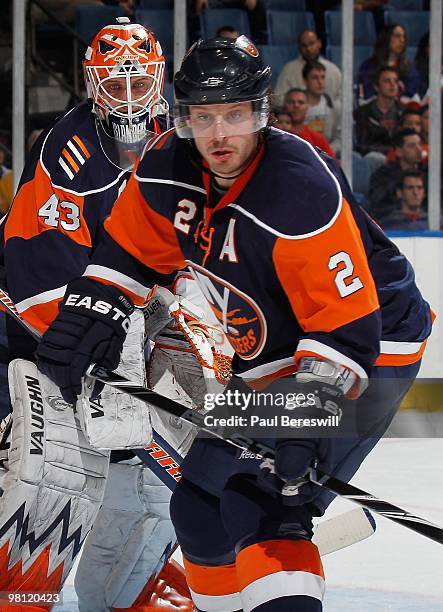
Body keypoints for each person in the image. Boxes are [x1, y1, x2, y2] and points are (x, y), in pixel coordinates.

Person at [34, 37, 432, 612]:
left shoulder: (299, 190)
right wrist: (87, 317)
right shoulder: (170, 164)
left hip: (369, 351)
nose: (219, 134)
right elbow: (129, 253)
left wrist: (307, 417)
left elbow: (347, 329)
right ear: (183, 117)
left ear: (260, 114)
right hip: (269, 359)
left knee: (262, 506)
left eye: (235, 115)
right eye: (203, 117)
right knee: (198, 508)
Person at [0, 18, 196, 612]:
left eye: (142, 81)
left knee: (169, 454)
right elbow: (39, 278)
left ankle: (131, 587)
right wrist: (106, 349)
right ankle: (19, 586)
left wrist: (185, 319)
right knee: (54, 457)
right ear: (93, 84)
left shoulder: (179, 145)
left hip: (126, 321)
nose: (132, 95)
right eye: (118, 82)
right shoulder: (70, 151)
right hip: (32, 331)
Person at [368, 128, 425, 221]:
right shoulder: (383, 175)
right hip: (392, 223)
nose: (419, 150)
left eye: (419, 144)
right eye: (412, 146)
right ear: (399, 151)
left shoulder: (429, 174)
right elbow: (378, 205)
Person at [275, 29, 342, 105]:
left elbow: (342, 99)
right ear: (299, 47)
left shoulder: (333, 70)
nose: (308, 49)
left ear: (319, 43)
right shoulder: (288, 70)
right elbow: (278, 100)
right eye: (304, 45)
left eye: (311, 44)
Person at [357, 23, 421, 102]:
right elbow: (367, 92)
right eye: (397, 36)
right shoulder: (369, 66)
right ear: (386, 38)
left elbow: (412, 92)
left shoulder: (409, 67)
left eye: (404, 37)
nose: (402, 40)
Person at [354, 65, 403, 162]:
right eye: (387, 81)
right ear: (376, 86)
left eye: (395, 81)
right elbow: (362, 145)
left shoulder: (403, 111)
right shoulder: (363, 112)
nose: (392, 85)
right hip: (371, 160)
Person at [283, 87, 336, 157]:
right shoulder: (275, 136)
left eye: (301, 102)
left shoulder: (318, 140)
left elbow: (332, 165)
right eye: (291, 102)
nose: (296, 105)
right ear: (284, 106)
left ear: (307, 107)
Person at [303, 60, 341, 153]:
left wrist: (327, 151)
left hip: (328, 153)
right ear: (305, 81)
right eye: (315, 78)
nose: (320, 82)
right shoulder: (296, 105)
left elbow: (340, 137)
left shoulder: (335, 106)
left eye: (323, 77)